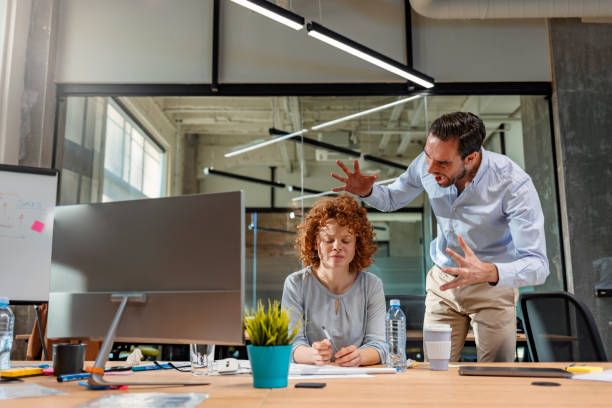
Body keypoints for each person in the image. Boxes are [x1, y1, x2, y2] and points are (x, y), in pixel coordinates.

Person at [331, 112, 549, 362]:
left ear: (471, 157)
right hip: (443, 285)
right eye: (428, 156)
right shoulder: (429, 162)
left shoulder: (513, 184)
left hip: (491, 285)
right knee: (436, 372)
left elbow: (537, 265)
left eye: (443, 163)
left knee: (495, 377)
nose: (430, 169)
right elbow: (392, 198)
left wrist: (488, 272)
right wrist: (368, 191)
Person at [281, 195, 387, 366]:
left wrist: (360, 356)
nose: (337, 246)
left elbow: (380, 345)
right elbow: (290, 345)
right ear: (316, 243)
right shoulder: (296, 284)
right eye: (328, 240)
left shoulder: (372, 285)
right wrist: (312, 355)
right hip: (312, 377)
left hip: (358, 379)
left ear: (356, 245)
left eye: (346, 240)